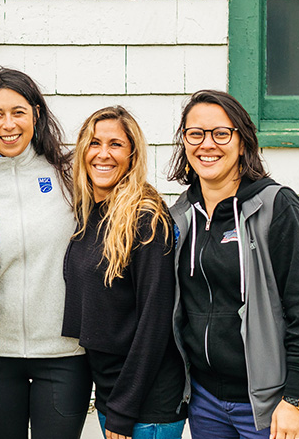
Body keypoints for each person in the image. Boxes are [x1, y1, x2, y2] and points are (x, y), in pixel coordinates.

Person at [167, 90, 299, 439]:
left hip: (274, 401)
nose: (207, 144)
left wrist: (296, 398)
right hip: (207, 400)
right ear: (184, 142)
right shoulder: (181, 216)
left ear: (243, 143)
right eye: (195, 133)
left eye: (221, 133)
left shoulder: (276, 207)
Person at [0, 67, 91, 439]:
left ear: (36, 113)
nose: (8, 124)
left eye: (17, 111)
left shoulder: (71, 177)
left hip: (65, 354)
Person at [62, 106, 186, 439]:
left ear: (132, 154)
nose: (103, 154)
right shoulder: (92, 214)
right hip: (112, 394)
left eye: (115, 144)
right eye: (94, 143)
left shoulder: (145, 218)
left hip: (146, 405)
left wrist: (124, 409)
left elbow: (155, 321)